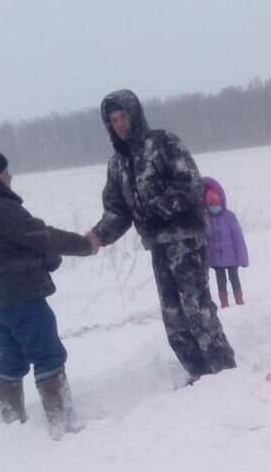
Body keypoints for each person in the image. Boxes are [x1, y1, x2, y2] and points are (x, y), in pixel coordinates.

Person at [86, 90, 236, 380]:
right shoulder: (117, 163)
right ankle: (199, 373)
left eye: (122, 117)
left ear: (134, 115)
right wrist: (96, 236)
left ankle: (224, 371)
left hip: (185, 238)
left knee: (196, 306)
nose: (118, 124)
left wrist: (154, 209)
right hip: (157, 245)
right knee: (173, 315)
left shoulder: (163, 143)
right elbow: (117, 210)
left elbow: (190, 186)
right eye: (112, 120)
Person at [0, 147, 98, 438]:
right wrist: (84, 245)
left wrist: (41, 258)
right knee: (47, 353)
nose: (10, 176)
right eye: (5, 171)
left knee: (12, 355)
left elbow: (2, 250)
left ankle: (12, 420)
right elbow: (40, 236)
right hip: (21, 297)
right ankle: (62, 422)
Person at [203, 177, 249, 307]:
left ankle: (239, 300)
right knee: (220, 281)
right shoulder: (206, 219)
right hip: (217, 260)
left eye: (216, 204)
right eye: (211, 205)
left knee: (234, 278)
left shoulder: (229, 217)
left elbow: (238, 239)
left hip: (232, 258)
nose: (214, 207)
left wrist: (242, 258)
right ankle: (224, 303)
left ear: (221, 202)